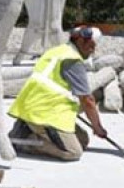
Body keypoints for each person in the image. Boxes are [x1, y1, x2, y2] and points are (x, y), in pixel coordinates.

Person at [7, 26, 108, 161]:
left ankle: (28, 127)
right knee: (73, 152)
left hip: (33, 107)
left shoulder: (57, 52)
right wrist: (97, 127)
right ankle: (23, 142)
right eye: (91, 46)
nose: (92, 51)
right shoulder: (72, 61)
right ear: (80, 42)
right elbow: (87, 100)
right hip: (45, 113)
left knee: (82, 140)